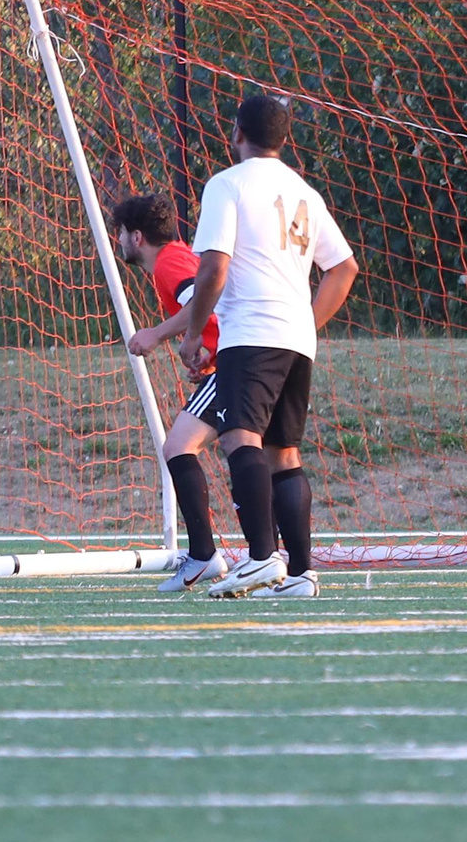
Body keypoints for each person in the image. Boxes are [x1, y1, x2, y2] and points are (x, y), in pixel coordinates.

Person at [127, 93, 358, 601]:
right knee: (284, 453)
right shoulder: (305, 193)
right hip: (297, 340)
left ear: (236, 134)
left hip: (251, 333)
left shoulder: (227, 185)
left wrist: (190, 336)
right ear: (283, 139)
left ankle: (258, 558)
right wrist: (306, 321)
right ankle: (300, 573)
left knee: (241, 439)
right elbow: (343, 268)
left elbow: (213, 267)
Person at [108, 193, 228, 593]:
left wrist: (156, 334)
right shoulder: (176, 258)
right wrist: (206, 355)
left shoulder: (171, 262)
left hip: (237, 364)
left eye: (121, 233)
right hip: (227, 361)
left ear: (136, 237)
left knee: (178, 447)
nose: (119, 241)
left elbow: (200, 302)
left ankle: (205, 556)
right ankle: (264, 557)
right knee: (249, 455)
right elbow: (212, 312)